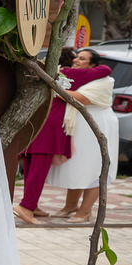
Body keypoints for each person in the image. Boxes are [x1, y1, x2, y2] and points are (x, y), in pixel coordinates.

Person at [46, 48, 119, 224]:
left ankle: (85, 211)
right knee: (78, 166)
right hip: (80, 128)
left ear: (92, 64)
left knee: (94, 168)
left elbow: (80, 98)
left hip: (99, 127)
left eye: (82, 58)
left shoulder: (104, 80)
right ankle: (70, 206)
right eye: (76, 57)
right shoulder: (78, 78)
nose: (76, 60)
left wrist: (52, 87)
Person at [13, 47, 75, 225]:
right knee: (38, 170)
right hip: (50, 127)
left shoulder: (44, 71)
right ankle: (26, 207)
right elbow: (104, 70)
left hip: (38, 122)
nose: (78, 61)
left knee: (31, 167)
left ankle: (32, 203)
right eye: (76, 58)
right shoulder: (68, 74)